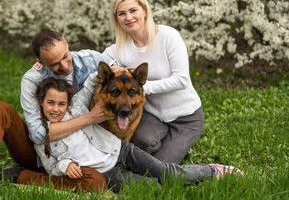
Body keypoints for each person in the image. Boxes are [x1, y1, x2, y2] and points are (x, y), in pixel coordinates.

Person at [0, 30, 116, 192]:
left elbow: (123, 74)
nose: (64, 66)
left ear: (66, 43)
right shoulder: (32, 79)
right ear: (41, 62)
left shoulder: (91, 60)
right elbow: (38, 135)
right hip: (40, 153)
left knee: (95, 183)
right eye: (54, 64)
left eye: (65, 56)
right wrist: (89, 118)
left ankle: (16, 176)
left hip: (79, 156)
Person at [34, 77, 242, 193]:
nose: (56, 109)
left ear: (68, 103)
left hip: (121, 151)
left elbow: (91, 81)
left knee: (168, 173)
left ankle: (212, 171)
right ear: (40, 103)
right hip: (107, 173)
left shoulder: (75, 110)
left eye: (61, 103)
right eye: (50, 103)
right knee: (155, 188)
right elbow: (51, 167)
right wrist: (65, 165)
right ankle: (188, 184)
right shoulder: (40, 136)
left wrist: (112, 65)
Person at [102, 0, 204, 164]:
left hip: (186, 118)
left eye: (133, 10)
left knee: (159, 168)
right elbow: (97, 59)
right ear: (116, 18)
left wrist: (143, 87)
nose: (128, 17)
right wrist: (116, 67)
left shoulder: (168, 36)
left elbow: (181, 79)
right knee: (143, 144)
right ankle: (160, 140)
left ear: (144, 10)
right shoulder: (120, 47)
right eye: (122, 13)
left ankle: (184, 151)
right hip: (153, 116)